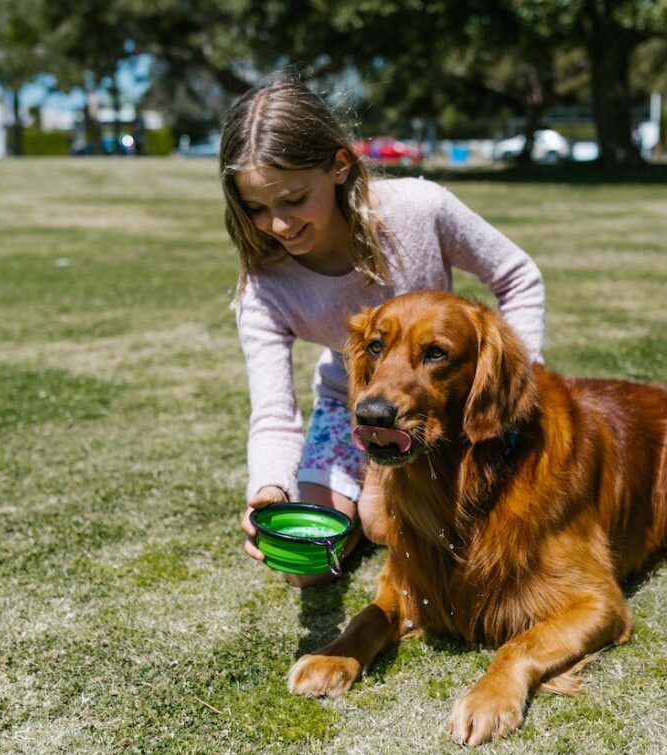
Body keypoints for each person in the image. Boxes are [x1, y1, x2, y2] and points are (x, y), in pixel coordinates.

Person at [219, 76, 545, 586]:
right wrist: (270, 489)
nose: (278, 225)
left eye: (294, 199)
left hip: (438, 401)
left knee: (382, 520)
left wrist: (521, 377)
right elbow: (275, 415)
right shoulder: (263, 288)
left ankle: (372, 511)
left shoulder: (419, 208)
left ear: (339, 166)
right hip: (351, 405)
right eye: (256, 209)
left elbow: (517, 276)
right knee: (303, 567)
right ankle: (356, 515)